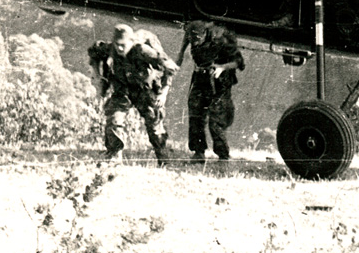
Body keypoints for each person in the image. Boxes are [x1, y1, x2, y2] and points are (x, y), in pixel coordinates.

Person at [88, 23, 178, 166]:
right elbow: (93, 52)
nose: (120, 48)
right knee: (114, 120)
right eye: (117, 44)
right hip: (122, 89)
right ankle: (114, 158)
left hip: (144, 91)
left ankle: (163, 159)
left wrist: (164, 94)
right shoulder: (110, 49)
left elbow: (170, 68)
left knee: (155, 127)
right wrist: (98, 76)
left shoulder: (143, 51)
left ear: (131, 41)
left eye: (123, 45)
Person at [175, 20, 245, 165]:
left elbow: (238, 62)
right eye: (192, 40)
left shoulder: (221, 39)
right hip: (200, 78)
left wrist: (222, 67)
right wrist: (180, 55)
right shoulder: (191, 33)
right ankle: (198, 152)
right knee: (195, 114)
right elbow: (186, 41)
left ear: (205, 34)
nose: (195, 43)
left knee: (216, 120)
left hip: (219, 82)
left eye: (198, 40)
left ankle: (223, 156)